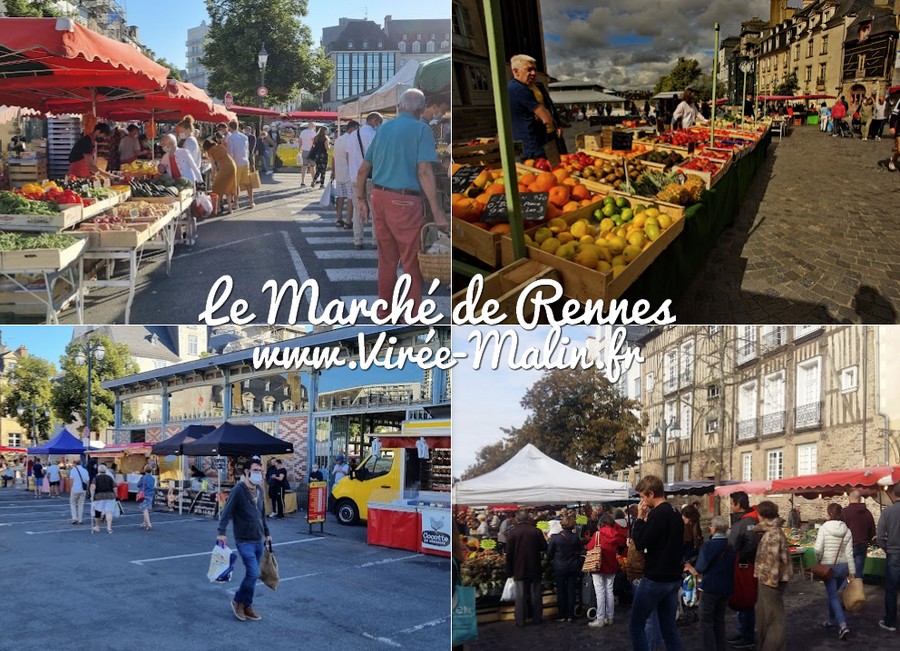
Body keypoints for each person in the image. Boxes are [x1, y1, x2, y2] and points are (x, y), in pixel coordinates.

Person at [355, 89, 448, 317]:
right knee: (411, 260)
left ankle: (384, 312)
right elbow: (424, 170)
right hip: (405, 200)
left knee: (386, 260)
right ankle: (411, 316)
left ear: (399, 106)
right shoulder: (421, 129)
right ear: (419, 109)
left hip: (379, 196)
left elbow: (364, 169)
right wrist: (437, 212)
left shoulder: (384, 128)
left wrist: (360, 199)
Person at [629, 475, 685, 651]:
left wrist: (639, 518)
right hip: (673, 578)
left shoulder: (658, 514)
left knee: (636, 625)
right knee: (669, 628)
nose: (642, 501)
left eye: (643, 497)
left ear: (651, 494)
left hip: (656, 579)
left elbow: (640, 542)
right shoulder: (675, 513)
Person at [217, 458, 272, 622]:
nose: (259, 474)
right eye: (256, 470)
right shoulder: (238, 490)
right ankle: (237, 601)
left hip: (258, 539)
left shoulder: (260, 490)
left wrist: (267, 532)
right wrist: (221, 531)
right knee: (253, 573)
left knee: (252, 574)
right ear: (247, 471)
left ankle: (247, 605)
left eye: (260, 471)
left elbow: (262, 514)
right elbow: (226, 512)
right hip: (244, 540)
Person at [684, 515, 735, 651]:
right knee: (719, 620)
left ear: (715, 529)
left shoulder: (709, 545)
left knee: (706, 621)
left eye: (711, 526)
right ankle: (721, 647)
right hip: (726, 587)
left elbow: (699, 569)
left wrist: (689, 567)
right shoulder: (730, 546)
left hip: (711, 587)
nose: (710, 528)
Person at [753, 501, 792, 651]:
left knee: (775, 620)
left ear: (762, 515)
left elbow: (773, 562)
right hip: (765, 579)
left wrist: (772, 583)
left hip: (770, 581)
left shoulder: (773, 534)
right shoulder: (769, 530)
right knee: (764, 616)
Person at [814, 502, 855, 640]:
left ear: (830, 514)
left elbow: (818, 549)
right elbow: (850, 553)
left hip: (828, 567)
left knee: (832, 596)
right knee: (834, 596)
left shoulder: (824, 528)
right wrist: (852, 571)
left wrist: (818, 560)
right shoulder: (847, 530)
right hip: (843, 567)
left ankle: (843, 626)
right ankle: (831, 620)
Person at [507, 54, 556, 160]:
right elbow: (547, 119)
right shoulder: (522, 90)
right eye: (529, 70)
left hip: (521, 143)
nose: (533, 73)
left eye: (534, 69)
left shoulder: (509, 87)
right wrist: (544, 113)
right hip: (533, 146)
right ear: (516, 71)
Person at [728, 492, 760, 649]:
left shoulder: (744, 522)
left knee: (745, 599)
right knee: (745, 600)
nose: (730, 506)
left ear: (738, 505)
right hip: (748, 564)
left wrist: (742, 557)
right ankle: (744, 631)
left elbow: (735, 545)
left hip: (744, 565)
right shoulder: (751, 520)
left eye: (731, 503)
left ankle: (747, 635)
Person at [505, 510, 548, 627]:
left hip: (519, 568)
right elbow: (544, 547)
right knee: (536, 594)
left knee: (520, 595)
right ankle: (537, 618)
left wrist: (509, 571)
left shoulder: (512, 533)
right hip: (534, 566)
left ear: (517, 520)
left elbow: (509, 554)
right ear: (528, 519)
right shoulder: (536, 531)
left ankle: (520, 620)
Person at [348, 112, 382, 249]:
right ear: (373, 120)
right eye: (378, 122)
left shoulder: (352, 136)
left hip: (355, 177)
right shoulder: (374, 135)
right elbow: (379, 157)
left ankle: (358, 241)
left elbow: (348, 156)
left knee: (358, 210)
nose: (378, 125)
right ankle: (375, 241)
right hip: (371, 177)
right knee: (375, 210)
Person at [589, 512, 628, 627]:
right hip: (611, 565)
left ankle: (600, 618)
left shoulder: (597, 534)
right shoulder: (615, 534)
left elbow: (589, 547)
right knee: (609, 591)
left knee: (600, 592)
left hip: (599, 565)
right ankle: (610, 617)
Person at [546, 514, 583, 623]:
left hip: (559, 567)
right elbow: (579, 550)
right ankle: (571, 615)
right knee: (571, 590)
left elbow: (549, 553)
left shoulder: (555, 538)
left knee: (561, 591)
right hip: (572, 566)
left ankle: (562, 614)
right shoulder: (575, 537)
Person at [876, 482, 900, 631]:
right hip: (893, 552)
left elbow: (879, 537)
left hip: (894, 554)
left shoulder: (887, 512)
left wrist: (887, 549)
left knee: (891, 589)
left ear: (893, 494)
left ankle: (890, 622)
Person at [843, 490, 875, 583]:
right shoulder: (867, 513)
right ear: (860, 499)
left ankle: (847, 593)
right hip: (862, 545)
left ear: (849, 498)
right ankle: (857, 593)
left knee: (847, 571)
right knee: (859, 571)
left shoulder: (844, 512)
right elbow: (872, 530)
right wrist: (868, 540)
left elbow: (840, 528)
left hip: (847, 545)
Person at [332, 119, 358, 230]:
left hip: (339, 172)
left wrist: (333, 171)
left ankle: (339, 219)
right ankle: (348, 220)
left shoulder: (338, 140)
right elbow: (350, 157)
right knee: (350, 198)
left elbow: (333, 157)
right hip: (349, 173)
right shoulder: (351, 139)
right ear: (352, 129)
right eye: (357, 129)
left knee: (340, 197)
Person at [203, 138, 238, 214]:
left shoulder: (210, 151)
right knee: (229, 186)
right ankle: (229, 208)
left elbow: (213, 165)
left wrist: (213, 175)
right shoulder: (220, 146)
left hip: (225, 167)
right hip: (232, 165)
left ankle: (217, 207)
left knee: (216, 186)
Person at [226, 120, 253, 208]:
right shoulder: (244, 137)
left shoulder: (230, 138)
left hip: (236, 162)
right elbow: (247, 150)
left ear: (229, 127)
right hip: (245, 161)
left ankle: (236, 203)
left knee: (235, 184)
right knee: (247, 183)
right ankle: (251, 201)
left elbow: (230, 152)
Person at [90, 464, 117, 534]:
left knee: (98, 511)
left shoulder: (96, 478)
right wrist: (116, 494)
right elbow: (114, 487)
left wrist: (92, 495)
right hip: (110, 495)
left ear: (98, 470)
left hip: (99, 496)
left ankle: (97, 526)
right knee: (109, 512)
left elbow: (93, 486)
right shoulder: (110, 477)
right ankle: (109, 527)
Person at [69, 458, 89, 524]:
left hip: (75, 489)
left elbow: (71, 481)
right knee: (81, 504)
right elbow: (87, 481)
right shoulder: (85, 471)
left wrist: (70, 488)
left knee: (73, 503)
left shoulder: (73, 470)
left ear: (75, 463)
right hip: (83, 490)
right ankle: (80, 519)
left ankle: (74, 518)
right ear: (81, 463)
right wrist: (87, 489)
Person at [298, 122, 317, 187]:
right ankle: (313, 181)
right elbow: (314, 142)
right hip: (311, 151)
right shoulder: (313, 133)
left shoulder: (303, 132)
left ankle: (302, 182)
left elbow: (300, 141)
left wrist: (299, 149)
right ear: (313, 126)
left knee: (304, 167)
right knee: (312, 167)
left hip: (304, 150)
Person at [137, 464, 156, 531]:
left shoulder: (143, 477)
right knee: (147, 509)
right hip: (150, 494)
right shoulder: (153, 478)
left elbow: (138, 485)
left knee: (144, 509)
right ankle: (144, 523)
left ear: (145, 470)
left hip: (144, 494)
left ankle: (149, 523)